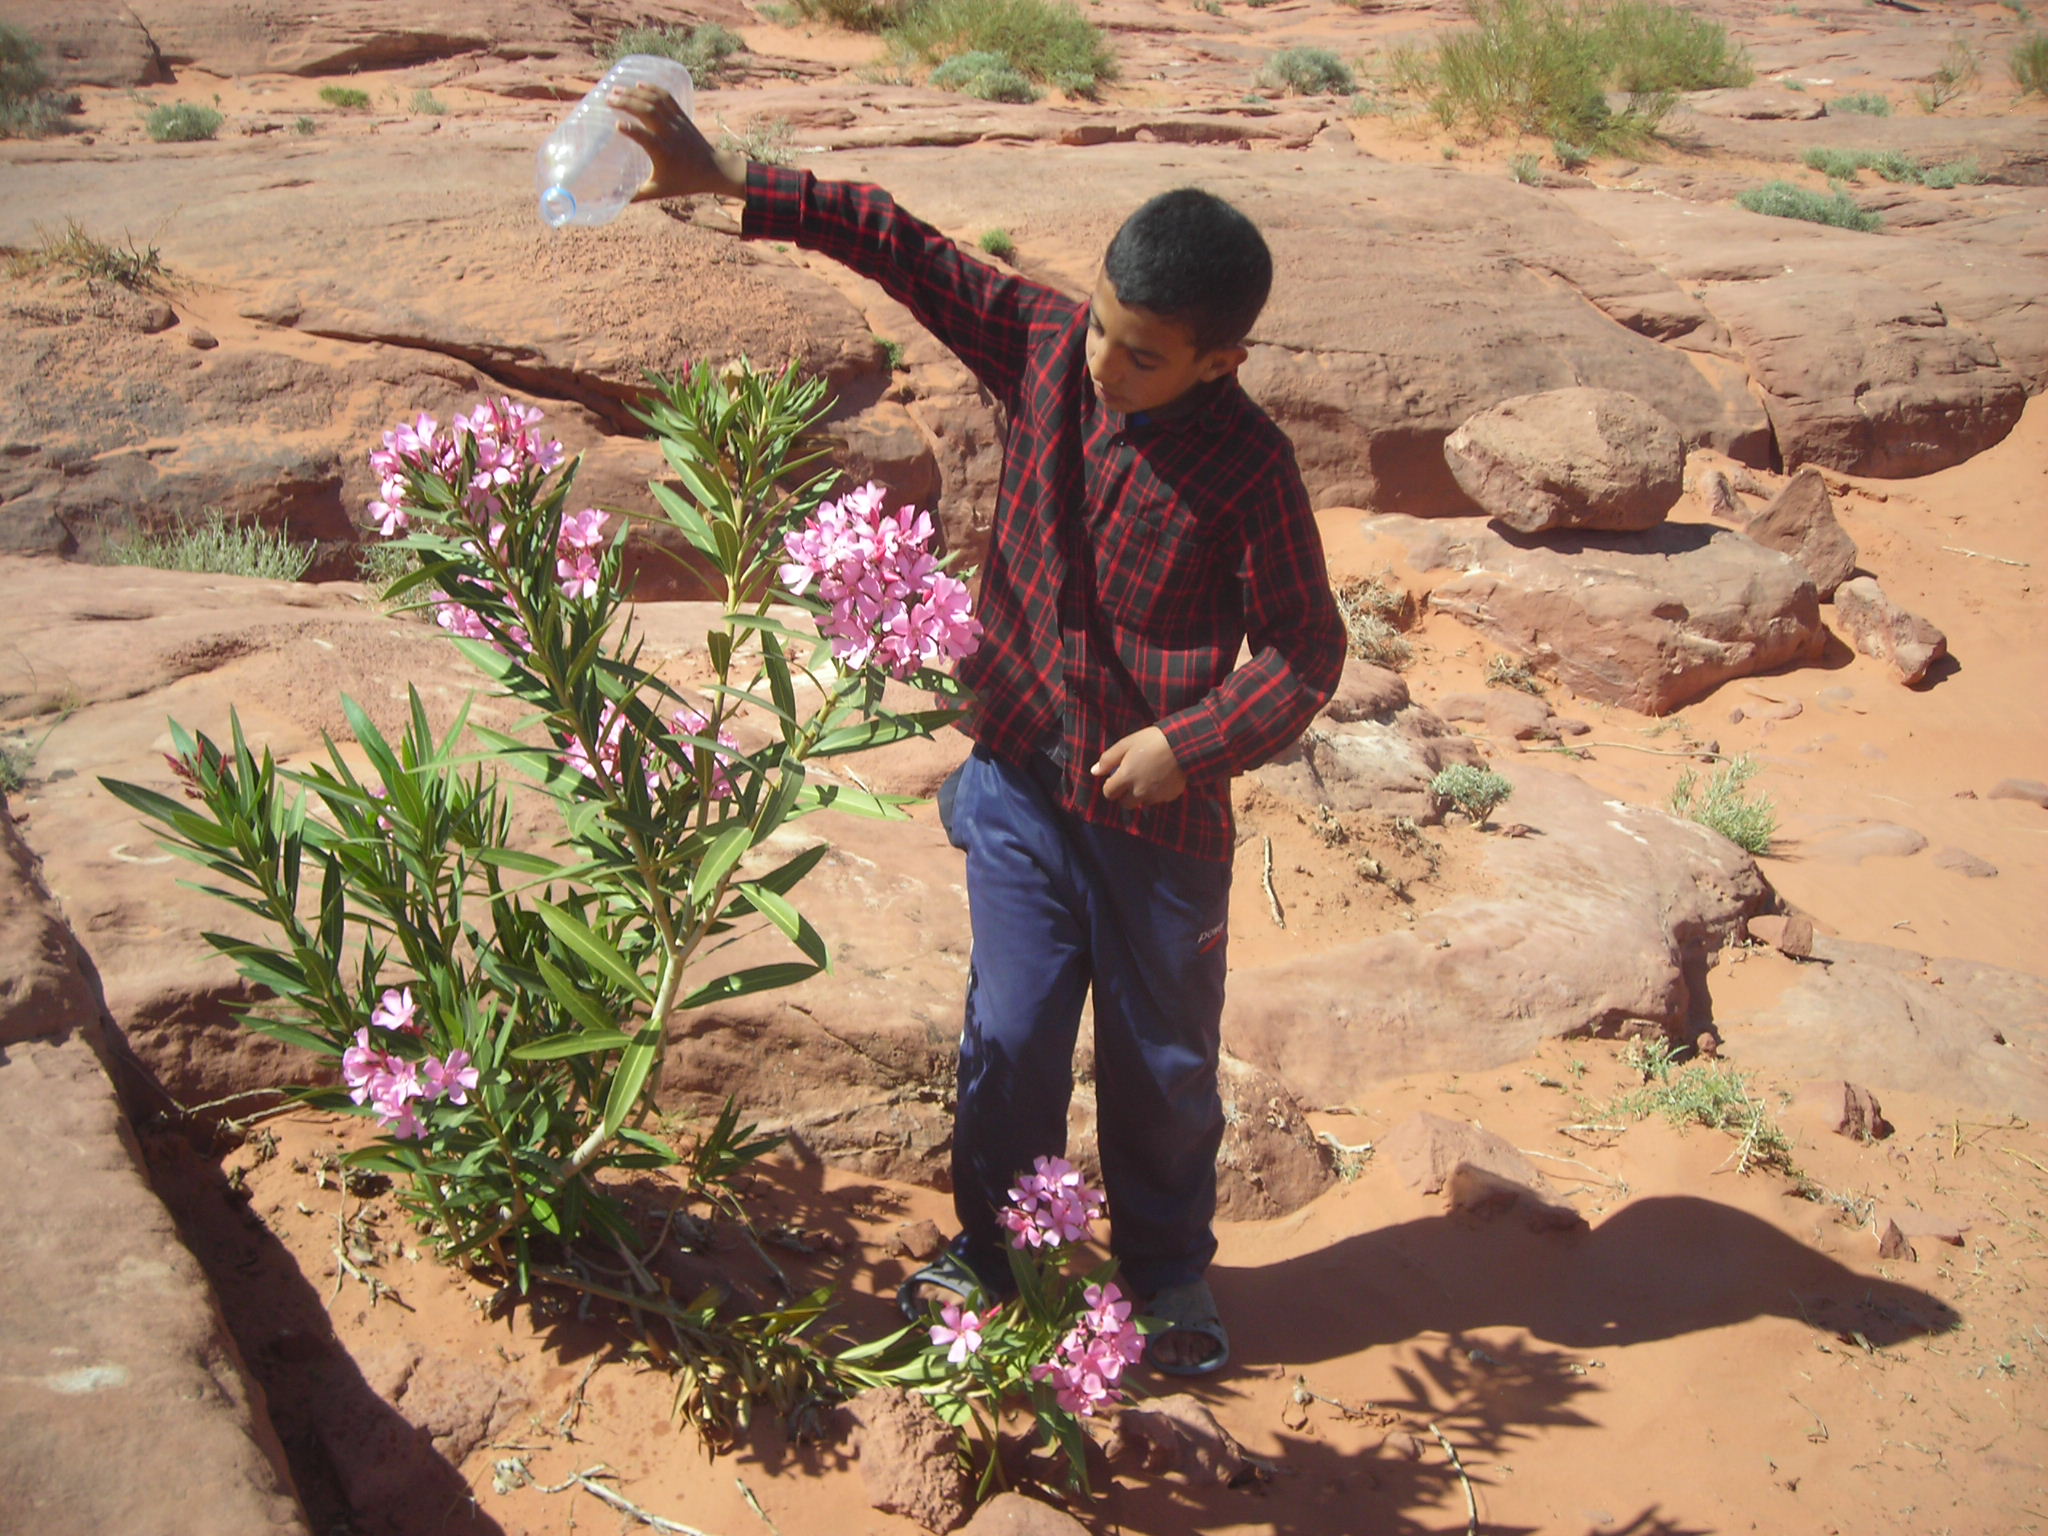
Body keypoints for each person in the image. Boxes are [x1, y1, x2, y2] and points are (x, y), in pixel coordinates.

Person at [614, 87, 1346, 1375]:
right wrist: (730, 179)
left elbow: (1306, 650)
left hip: (1161, 825)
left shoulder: (1252, 469)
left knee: (1161, 1064)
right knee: (1007, 1038)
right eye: (1104, 330)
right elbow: (909, 248)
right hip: (1018, 781)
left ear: (1220, 361)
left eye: (1143, 355)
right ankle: (996, 1251)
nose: (1104, 368)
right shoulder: (1048, 348)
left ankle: (1168, 1275)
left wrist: (1194, 740)